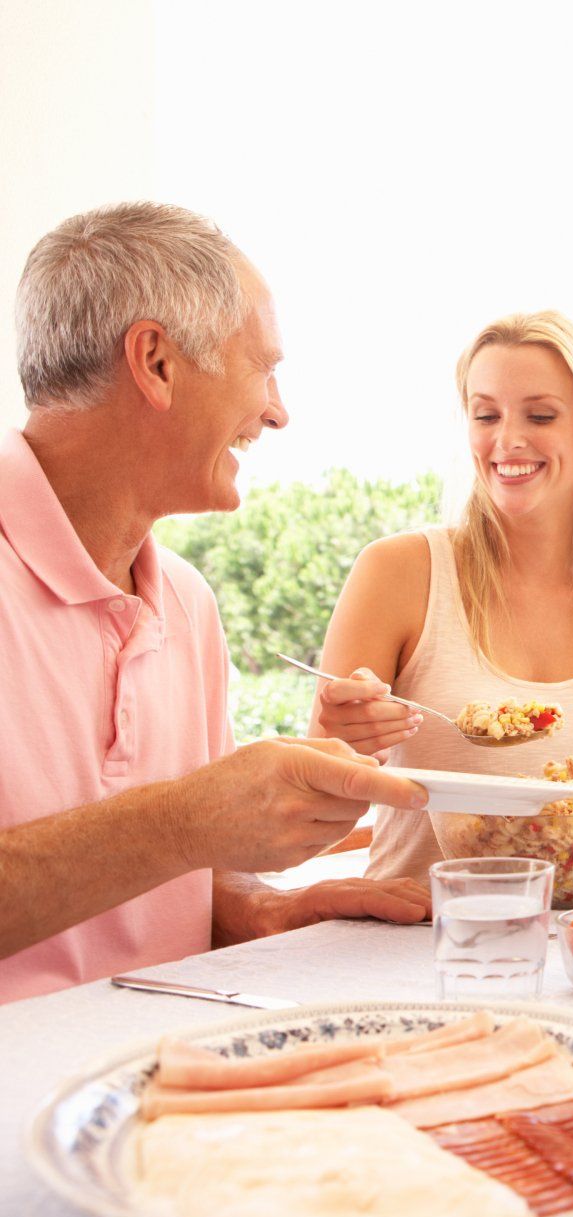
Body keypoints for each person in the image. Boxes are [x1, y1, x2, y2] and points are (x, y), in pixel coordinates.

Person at [0, 202, 429, 1000]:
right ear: (156, 362)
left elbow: (160, 890)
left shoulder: (187, 604)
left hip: (160, 1079)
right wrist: (183, 821)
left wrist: (268, 914)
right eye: (262, 366)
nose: (277, 409)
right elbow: (169, 837)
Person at [311, 311, 573, 882]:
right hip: (405, 938)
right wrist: (342, 743)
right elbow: (316, 806)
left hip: (564, 940)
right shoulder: (397, 572)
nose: (507, 441)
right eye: (486, 415)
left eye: (541, 415)